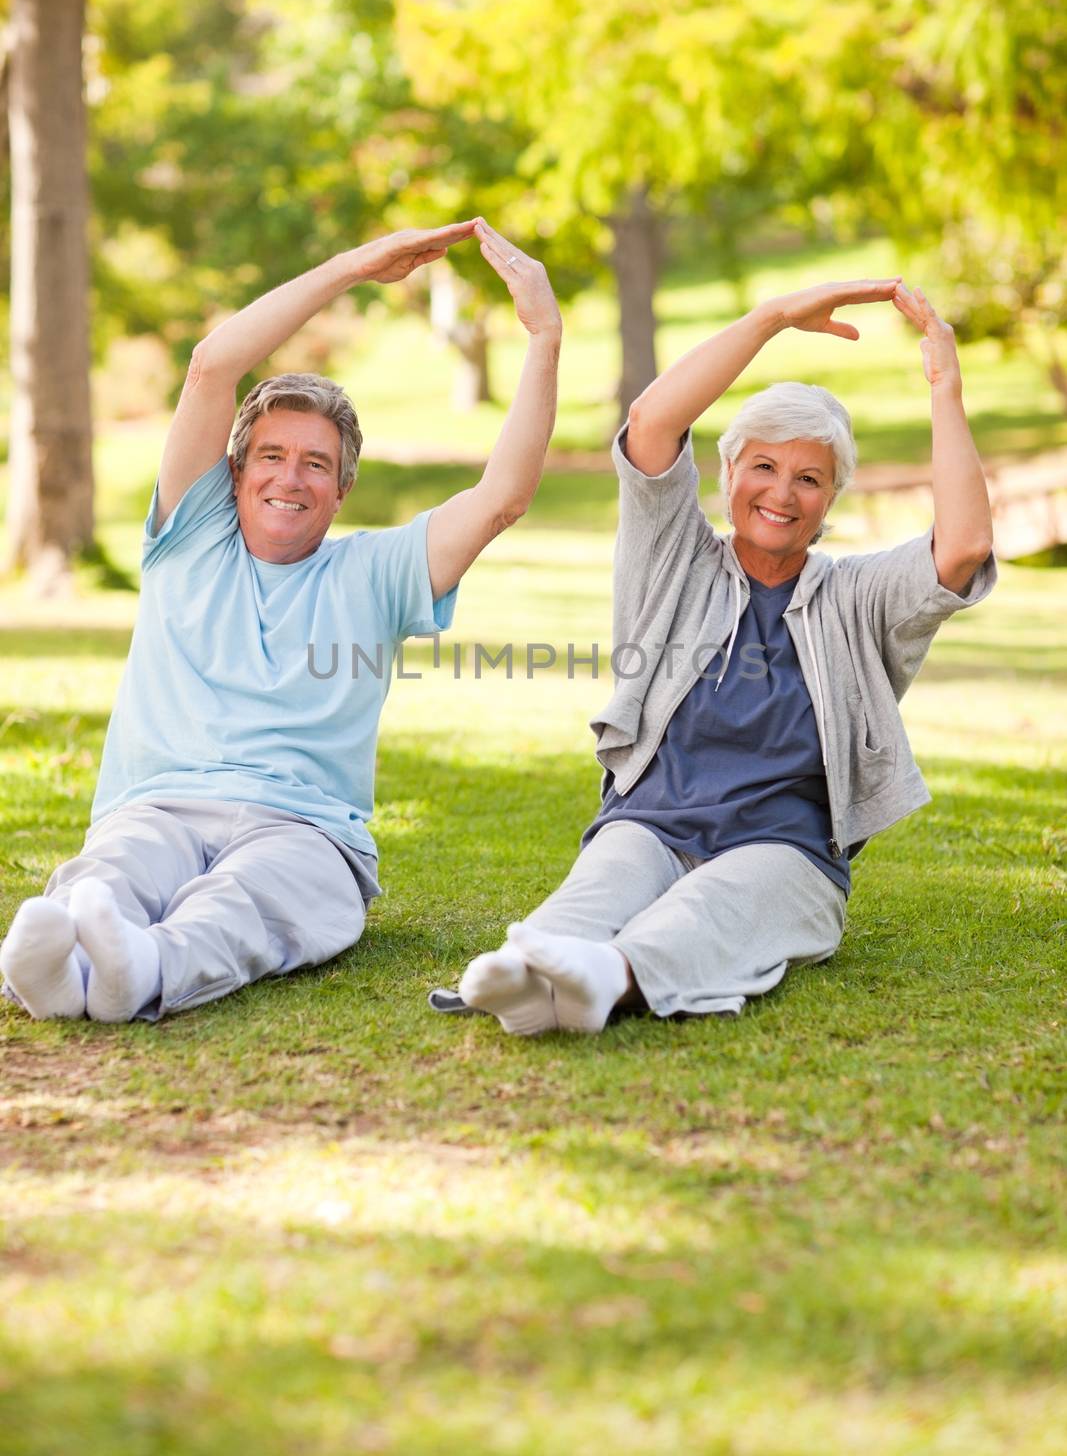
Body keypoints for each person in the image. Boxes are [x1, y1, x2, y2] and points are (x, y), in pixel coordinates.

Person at [1, 218, 562, 1022]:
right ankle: (67, 970)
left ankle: (142, 967)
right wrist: (354, 267)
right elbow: (211, 366)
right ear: (233, 474)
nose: (289, 478)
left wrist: (542, 336)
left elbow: (502, 494)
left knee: (245, 898)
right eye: (271, 456)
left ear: (340, 492)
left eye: (315, 464)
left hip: (304, 829)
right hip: (159, 802)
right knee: (116, 871)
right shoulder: (189, 542)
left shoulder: (376, 573)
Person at [447, 278, 996, 1035]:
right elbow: (651, 418)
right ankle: (534, 965)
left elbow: (962, 546)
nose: (782, 492)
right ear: (728, 474)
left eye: (809, 478)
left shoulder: (859, 598)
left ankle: (600, 978)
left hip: (785, 850)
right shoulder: (673, 556)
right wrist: (771, 318)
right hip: (648, 822)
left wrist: (944, 386)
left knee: (711, 910)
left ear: (831, 499)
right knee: (602, 885)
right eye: (762, 467)